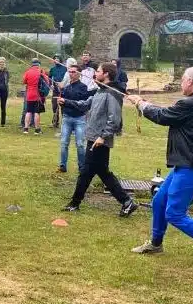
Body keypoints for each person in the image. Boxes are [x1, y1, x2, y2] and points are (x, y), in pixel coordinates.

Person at [127, 67, 193, 273]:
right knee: (159, 201)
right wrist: (145, 104)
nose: (181, 83)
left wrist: (141, 103)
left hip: (191, 167)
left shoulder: (192, 103)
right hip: (186, 164)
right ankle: (156, 244)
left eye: (183, 80)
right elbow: (170, 113)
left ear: (190, 82)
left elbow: (163, 116)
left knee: (175, 213)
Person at [58, 62, 138, 217]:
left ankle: (76, 203)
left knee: (91, 172)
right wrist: (67, 102)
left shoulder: (112, 93)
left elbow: (114, 120)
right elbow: (85, 104)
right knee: (96, 172)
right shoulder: (100, 91)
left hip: (100, 140)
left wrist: (103, 137)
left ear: (106, 74)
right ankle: (126, 202)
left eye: (99, 71)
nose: (95, 73)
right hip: (93, 137)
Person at [57, 61, 90, 174]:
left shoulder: (83, 88)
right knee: (64, 143)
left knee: (80, 144)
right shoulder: (66, 88)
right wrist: (61, 102)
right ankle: (62, 166)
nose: (71, 74)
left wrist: (66, 101)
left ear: (79, 73)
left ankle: (82, 167)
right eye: (69, 72)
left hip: (79, 119)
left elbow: (81, 103)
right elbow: (64, 102)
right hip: (67, 118)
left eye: (73, 72)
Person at [21, 58, 47, 135]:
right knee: (36, 112)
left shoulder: (28, 72)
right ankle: (37, 129)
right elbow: (46, 81)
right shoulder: (41, 72)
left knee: (28, 111)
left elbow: (24, 81)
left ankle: (26, 129)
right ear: (38, 64)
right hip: (37, 95)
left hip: (29, 94)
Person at [48, 54, 66, 128]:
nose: (56, 60)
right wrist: (50, 85)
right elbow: (49, 78)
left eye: (58, 59)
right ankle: (55, 122)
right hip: (55, 89)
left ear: (60, 60)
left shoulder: (65, 68)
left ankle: (64, 123)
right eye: (55, 59)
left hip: (64, 89)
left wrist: (63, 84)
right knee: (54, 106)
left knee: (63, 106)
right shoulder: (52, 69)